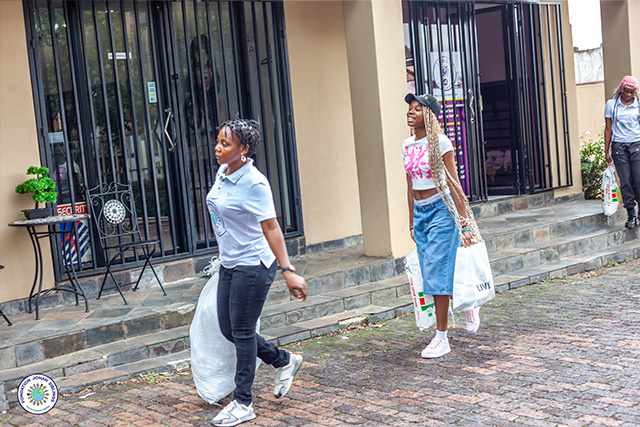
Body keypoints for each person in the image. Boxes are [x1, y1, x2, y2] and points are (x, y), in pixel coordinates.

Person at [206, 118, 307, 426]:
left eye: (225, 144)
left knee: (242, 331)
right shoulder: (224, 172)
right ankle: (283, 360)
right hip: (230, 262)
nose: (217, 148)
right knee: (229, 329)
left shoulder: (255, 183)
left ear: (244, 149)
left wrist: (288, 269)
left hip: (253, 264)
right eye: (218, 141)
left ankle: (243, 402)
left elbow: (271, 227)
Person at [403, 93, 480, 359]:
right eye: (410, 108)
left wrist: (464, 223)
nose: (411, 112)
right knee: (430, 271)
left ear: (429, 115)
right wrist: (411, 220)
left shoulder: (441, 142)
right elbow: (409, 185)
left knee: (436, 271)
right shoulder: (406, 145)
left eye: (417, 109)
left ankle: (442, 338)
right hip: (421, 213)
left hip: (441, 210)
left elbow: (454, 183)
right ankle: (467, 300)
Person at [604, 75, 640, 228]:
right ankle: (631, 214)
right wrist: (606, 151)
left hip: (637, 145)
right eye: (626, 91)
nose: (628, 94)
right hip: (619, 147)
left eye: (632, 92)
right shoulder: (611, 105)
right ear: (621, 89)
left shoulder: (638, 105)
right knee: (625, 181)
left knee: (638, 180)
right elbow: (608, 129)